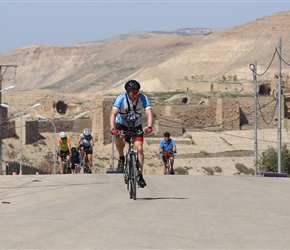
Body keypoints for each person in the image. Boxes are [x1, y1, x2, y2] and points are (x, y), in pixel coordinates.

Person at [110, 79, 153, 188]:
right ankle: (121, 157)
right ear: (127, 92)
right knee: (118, 137)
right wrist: (113, 128)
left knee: (139, 148)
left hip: (136, 125)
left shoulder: (143, 98)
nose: (134, 95)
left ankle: (140, 175)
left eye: (136, 92)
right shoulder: (121, 99)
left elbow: (149, 113)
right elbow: (113, 114)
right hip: (122, 124)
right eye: (132, 93)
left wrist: (149, 127)